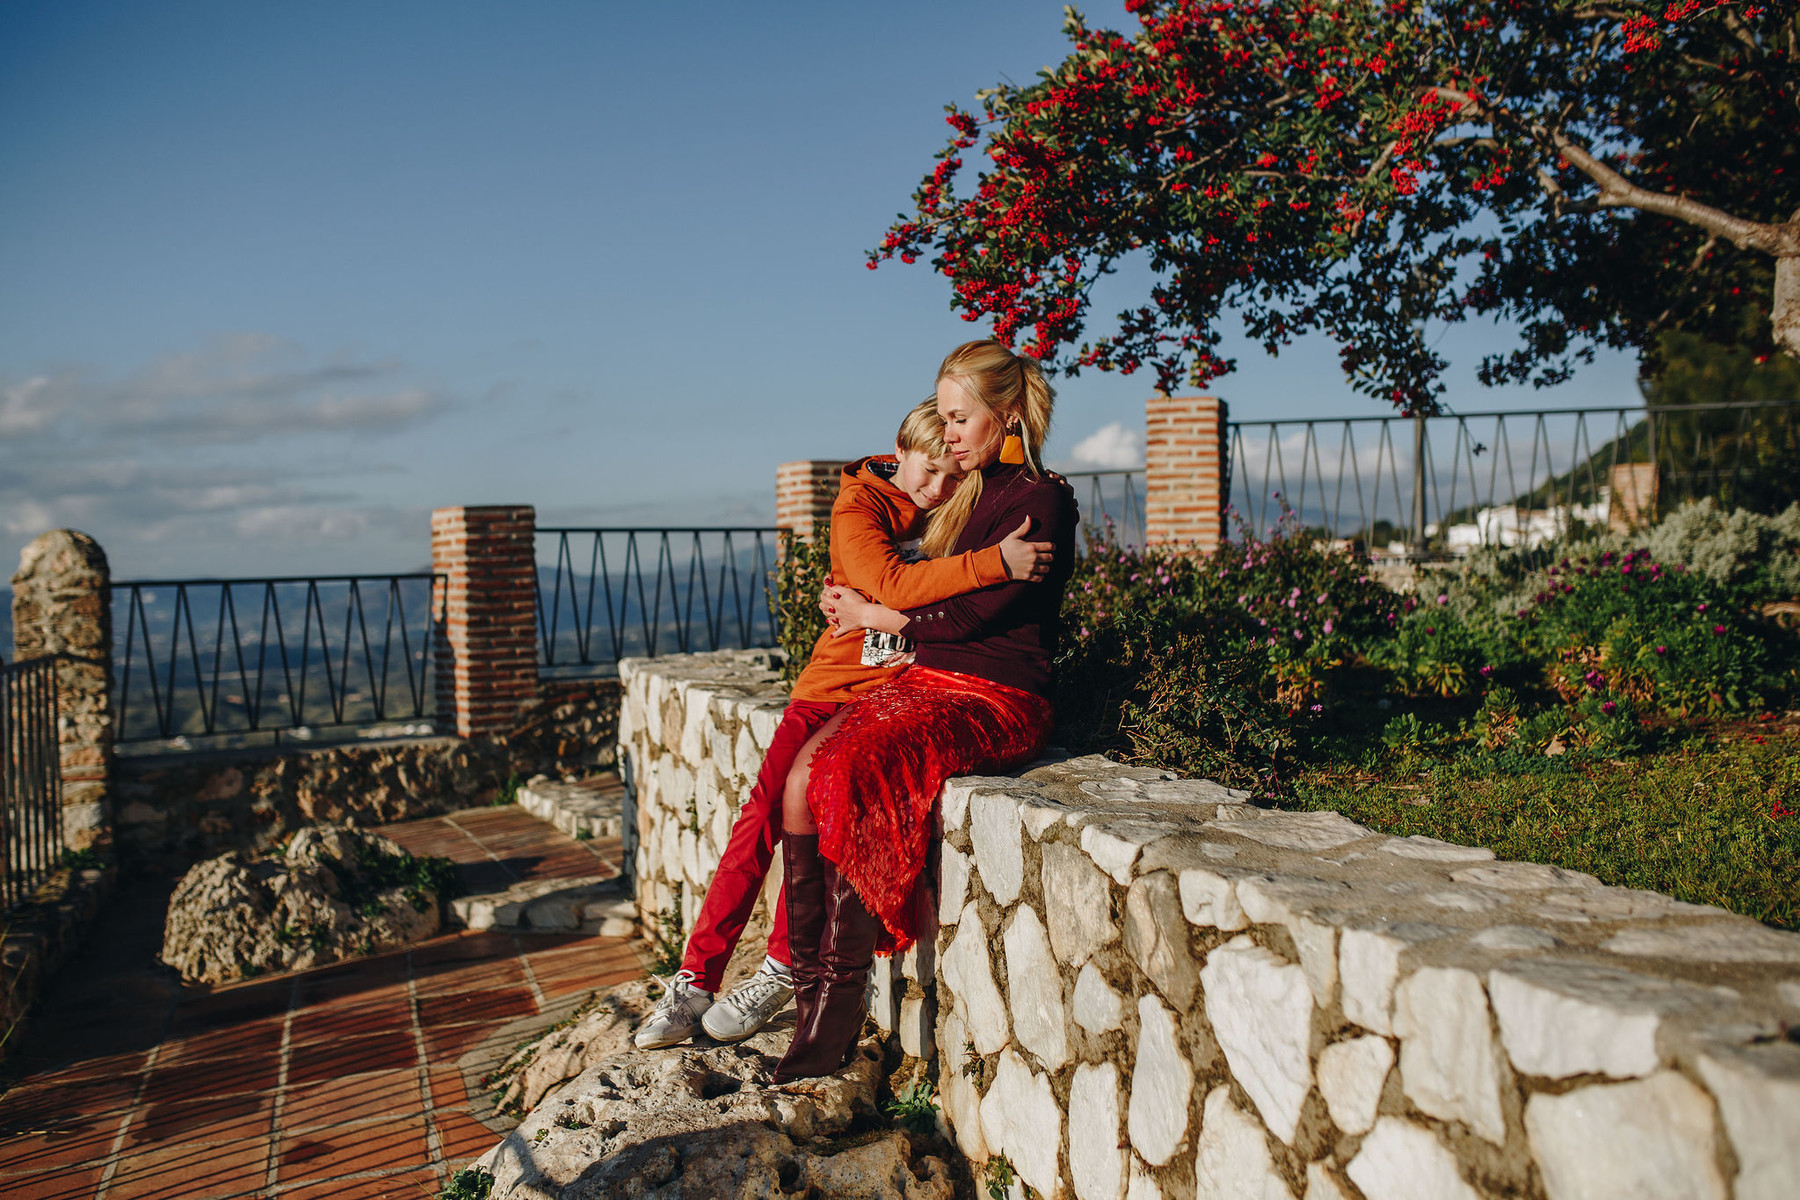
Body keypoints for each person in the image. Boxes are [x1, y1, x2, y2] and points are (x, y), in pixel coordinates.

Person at [634, 397, 1056, 1049]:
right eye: (927, 472)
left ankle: (780, 966)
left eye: (952, 476)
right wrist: (971, 570)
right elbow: (896, 583)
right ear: (900, 450)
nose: (936, 490)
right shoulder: (859, 506)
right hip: (830, 689)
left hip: (900, 698)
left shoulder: (966, 500)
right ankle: (693, 980)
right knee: (760, 822)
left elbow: (1010, 460)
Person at [772, 339, 1077, 1082]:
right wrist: (856, 603)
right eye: (942, 417)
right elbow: (906, 577)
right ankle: (813, 986)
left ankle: (833, 1014)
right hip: (923, 680)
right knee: (795, 784)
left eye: (959, 417)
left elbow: (979, 616)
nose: (947, 434)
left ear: (1005, 415)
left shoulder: (1041, 498)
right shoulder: (966, 497)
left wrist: (883, 620)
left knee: (845, 767)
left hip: (998, 695)